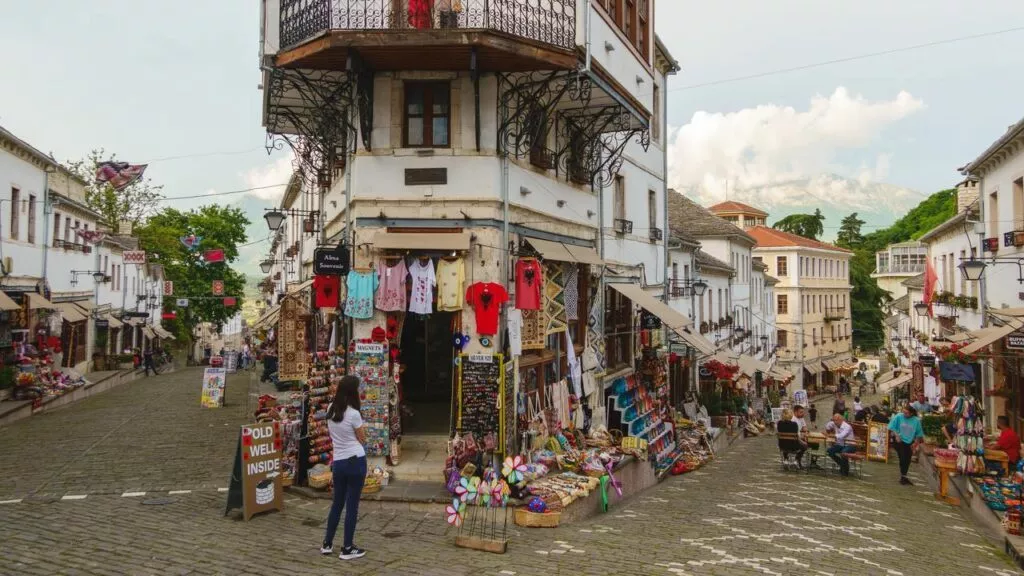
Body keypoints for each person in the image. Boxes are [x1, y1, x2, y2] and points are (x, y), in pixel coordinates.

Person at [321, 376, 367, 560]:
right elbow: (362, 438)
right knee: (352, 506)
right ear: (352, 391)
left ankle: (327, 543)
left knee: (337, 504)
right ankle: (347, 547)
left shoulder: (330, 409)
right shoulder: (354, 413)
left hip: (338, 462)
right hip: (355, 460)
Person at [888, 404, 925, 485]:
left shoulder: (916, 421)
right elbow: (892, 426)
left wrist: (916, 444)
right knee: (903, 458)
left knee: (907, 460)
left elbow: (919, 433)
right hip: (899, 440)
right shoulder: (899, 416)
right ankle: (903, 477)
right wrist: (897, 435)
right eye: (904, 412)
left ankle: (903, 476)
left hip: (909, 442)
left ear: (911, 413)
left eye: (906, 413)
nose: (904, 414)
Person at [825, 412, 857, 476]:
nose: (834, 422)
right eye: (833, 420)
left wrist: (830, 435)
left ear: (840, 420)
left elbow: (842, 436)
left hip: (850, 445)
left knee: (843, 452)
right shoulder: (834, 423)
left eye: (836, 420)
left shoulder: (847, 427)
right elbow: (827, 426)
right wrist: (829, 429)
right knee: (829, 451)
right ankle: (842, 464)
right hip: (841, 444)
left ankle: (845, 472)